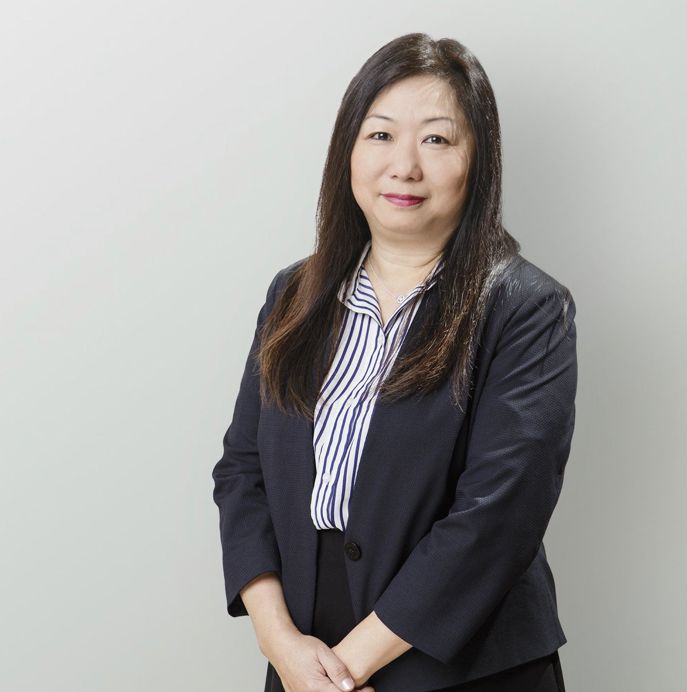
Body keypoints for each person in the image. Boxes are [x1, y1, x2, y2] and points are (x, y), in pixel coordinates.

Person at [211, 32, 577, 692]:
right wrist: (280, 642)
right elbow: (242, 471)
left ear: (479, 160)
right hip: (304, 653)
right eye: (380, 135)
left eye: (436, 139)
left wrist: (344, 670)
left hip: (461, 665)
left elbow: (498, 516)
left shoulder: (526, 308)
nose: (404, 166)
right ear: (347, 152)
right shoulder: (294, 295)